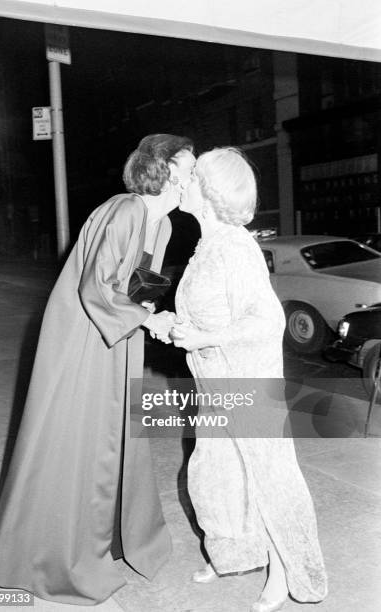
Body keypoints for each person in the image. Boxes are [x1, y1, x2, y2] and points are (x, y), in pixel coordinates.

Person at [0, 134, 196, 605]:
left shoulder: (160, 226)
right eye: (187, 166)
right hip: (83, 341)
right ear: (164, 170)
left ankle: (108, 539)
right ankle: (50, 557)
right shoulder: (125, 210)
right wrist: (145, 318)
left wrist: (157, 318)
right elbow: (95, 287)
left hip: (115, 341)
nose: (192, 176)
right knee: (77, 445)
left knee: (111, 441)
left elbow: (139, 288)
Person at [170, 147, 328, 612]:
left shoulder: (235, 248)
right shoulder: (208, 246)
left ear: (210, 192)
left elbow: (267, 321)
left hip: (247, 386)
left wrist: (203, 335)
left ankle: (288, 575)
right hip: (216, 386)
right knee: (217, 476)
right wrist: (181, 328)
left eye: (191, 177)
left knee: (270, 481)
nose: (183, 183)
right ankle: (236, 556)